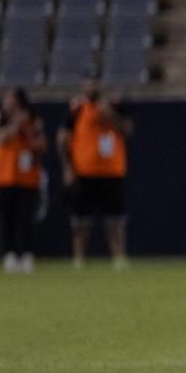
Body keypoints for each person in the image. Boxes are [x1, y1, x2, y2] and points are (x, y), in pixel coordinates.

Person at [59, 77, 133, 269]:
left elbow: (127, 130)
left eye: (94, 83)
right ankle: (79, 258)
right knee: (80, 220)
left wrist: (108, 113)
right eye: (87, 83)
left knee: (115, 219)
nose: (91, 87)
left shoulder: (114, 106)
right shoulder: (76, 109)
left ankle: (119, 258)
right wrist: (68, 168)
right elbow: (62, 139)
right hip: (84, 172)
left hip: (111, 171)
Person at [0, 86, 45, 273]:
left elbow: (41, 144)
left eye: (11, 99)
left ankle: (26, 254)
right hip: (2, 177)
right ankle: (10, 255)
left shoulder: (32, 119)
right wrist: (15, 123)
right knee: (7, 219)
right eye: (6, 99)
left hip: (27, 177)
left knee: (25, 219)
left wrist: (28, 131)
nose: (8, 103)